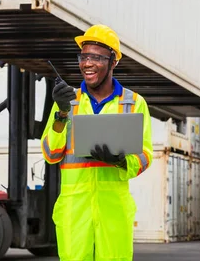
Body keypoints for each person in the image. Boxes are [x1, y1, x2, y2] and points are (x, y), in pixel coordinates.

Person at [40, 24, 153, 261]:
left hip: (114, 211)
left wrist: (122, 161)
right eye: (83, 57)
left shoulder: (133, 103)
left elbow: (145, 156)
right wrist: (61, 114)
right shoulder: (67, 102)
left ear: (113, 62)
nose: (87, 63)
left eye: (96, 57)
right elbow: (51, 153)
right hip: (74, 211)